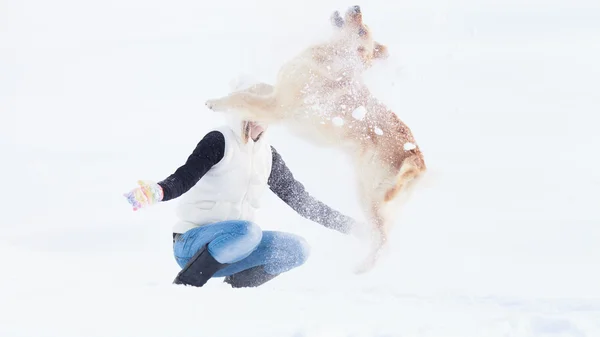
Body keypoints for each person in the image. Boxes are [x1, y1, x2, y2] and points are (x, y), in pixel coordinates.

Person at [123, 116, 359, 288]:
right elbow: (185, 176)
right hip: (191, 245)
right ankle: (186, 285)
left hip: (236, 250)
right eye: (251, 108)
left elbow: (302, 201)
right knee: (248, 231)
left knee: (296, 249)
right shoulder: (220, 140)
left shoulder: (268, 155)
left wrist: (353, 228)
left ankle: (235, 288)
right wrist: (158, 191)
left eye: (266, 108)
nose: (259, 116)